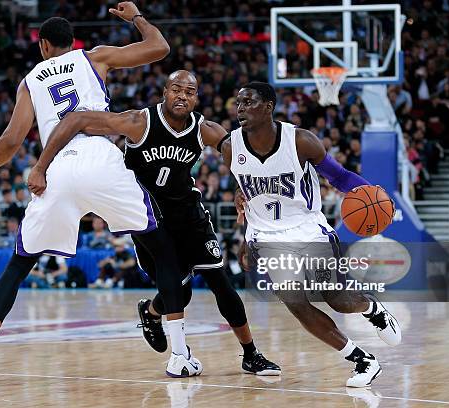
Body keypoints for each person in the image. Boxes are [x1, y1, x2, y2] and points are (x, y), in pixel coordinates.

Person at [0, 6, 199, 382]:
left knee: (19, 263)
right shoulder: (94, 57)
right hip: (101, 160)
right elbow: (159, 48)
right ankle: (179, 356)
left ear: (43, 45)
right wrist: (137, 18)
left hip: (56, 167)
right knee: (163, 249)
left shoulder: (29, 80)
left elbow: (11, 141)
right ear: (72, 43)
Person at [28, 71, 280, 376]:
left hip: (189, 215)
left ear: (196, 98)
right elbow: (78, 119)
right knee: (180, 292)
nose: (182, 96)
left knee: (221, 283)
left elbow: (236, 153)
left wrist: (242, 185)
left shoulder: (204, 129)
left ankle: (250, 354)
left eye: (190, 92)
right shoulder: (139, 122)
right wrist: (43, 165)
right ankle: (155, 317)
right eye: (177, 89)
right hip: (147, 217)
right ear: (164, 91)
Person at [225, 82, 401, 387]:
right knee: (296, 304)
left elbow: (340, 177)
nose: (240, 109)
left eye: (249, 102)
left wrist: (373, 195)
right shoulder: (231, 147)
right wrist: (246, 241)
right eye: (238, 103)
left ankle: (372, 308)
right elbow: (247, 197)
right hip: (266, 238)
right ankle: (363, 360)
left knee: (338, 300)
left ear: (268, 106)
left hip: (308, 230)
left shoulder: (301, 141)